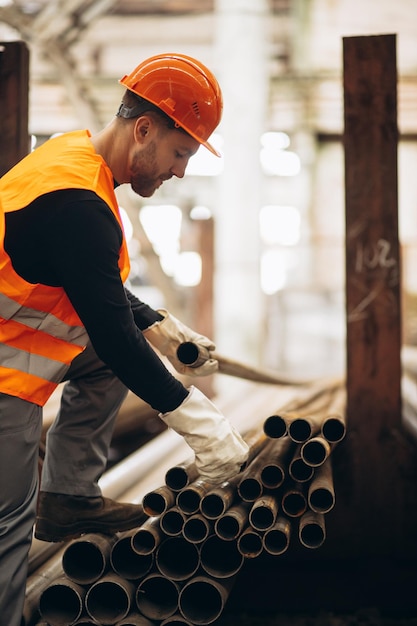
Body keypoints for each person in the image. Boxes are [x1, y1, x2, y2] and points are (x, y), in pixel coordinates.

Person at [0, 52, 249, 625]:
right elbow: (111, 331)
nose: (180, 170)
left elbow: (92, 284)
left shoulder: (73, 159)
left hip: (16, 344)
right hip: (5, 381)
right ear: (144, 129)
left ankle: (66, 496)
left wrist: (157, 322)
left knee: (110, 357)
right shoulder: (79, 206)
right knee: (8, 532)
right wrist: (205, 431)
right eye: (180, 152)